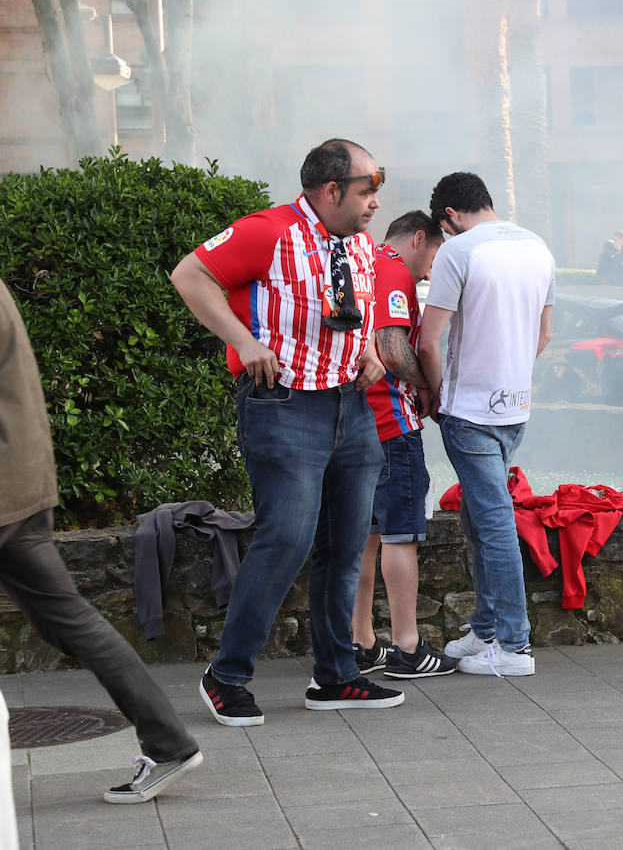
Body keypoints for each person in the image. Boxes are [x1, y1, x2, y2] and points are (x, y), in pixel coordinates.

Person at [171, 138, 404, 725]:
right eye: (367, 188)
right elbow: (190, 274)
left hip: (350, 407)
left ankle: (336, 675)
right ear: (331, 190)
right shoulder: (267, 231)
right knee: (288, 538)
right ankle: (226, 674)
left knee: (347, 544)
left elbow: (360, 304)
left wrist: (372, 350)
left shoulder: (358, 243)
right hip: (284, 405)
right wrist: (244, 342)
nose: (376, 200)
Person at [0, 280, 202, 803]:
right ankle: (168, 740)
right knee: (68, 621)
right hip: (18, 484)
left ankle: (170, 740)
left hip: (6, 494)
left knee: (70, 620)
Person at [417, 172, 555, 677]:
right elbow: (543, 335)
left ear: (449, 216)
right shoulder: (539, 248)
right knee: (480, 516)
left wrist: (434, 395)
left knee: (494, 524)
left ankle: (515, 645)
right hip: (513, 406)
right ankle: (487, 628)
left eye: (444, 229)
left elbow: (429, 341)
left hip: (469, 408)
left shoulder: (460, 251)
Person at [350, 210, 456, 679]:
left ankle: (361, 643)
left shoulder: (363, 259)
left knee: (365, 539)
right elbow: (392, 346)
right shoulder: (393, 267)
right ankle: (408, 647)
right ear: (419, 238)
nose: (431, 270)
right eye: (433, 256)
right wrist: (426, 387)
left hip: (358, 422)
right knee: (400, 534)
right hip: (392, 423)